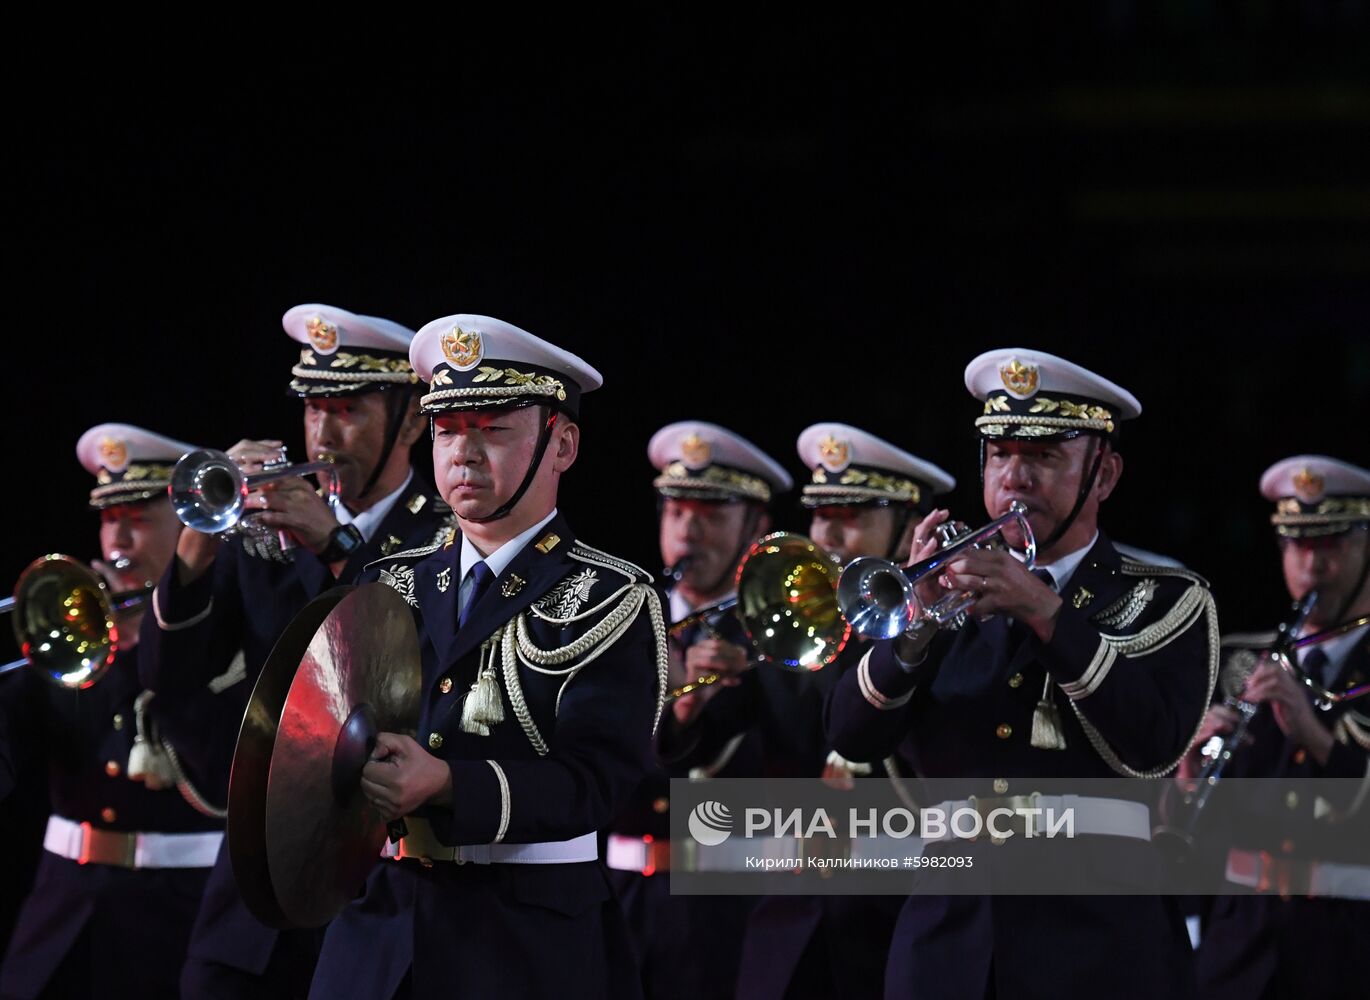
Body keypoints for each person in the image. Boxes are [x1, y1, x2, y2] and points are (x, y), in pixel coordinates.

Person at [825, 348, 1218, 999]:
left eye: (1042, 457)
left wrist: (1046, 613)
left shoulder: (1167, 598)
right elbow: (851, 735)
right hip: (946, 942)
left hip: (1098, 942)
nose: (1015, 478)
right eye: (1001, 454)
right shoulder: (946, 587)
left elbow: (1152, 743)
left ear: (1105, 475)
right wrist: (916, 627)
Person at [309, 313, 668, 999]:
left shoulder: (611, 595)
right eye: (447, 430)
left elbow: (595, 783)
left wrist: (447, 784)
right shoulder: (385, 580)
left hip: (527, 943)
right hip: (382, 934)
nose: (463, 454)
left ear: (561, 446)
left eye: (494, 429)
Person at [139, 304, 449, 999]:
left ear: (409, 421)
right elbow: (171, 680)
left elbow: (427, 668)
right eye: (313, 409)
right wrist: (195, 545)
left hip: (383, 887)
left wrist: (336, 547)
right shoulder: (262, 529)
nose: (324, 433)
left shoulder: (446, 532)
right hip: (258, 890)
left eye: (347, 410)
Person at [721, 423, 956, 1000]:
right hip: (788, 921)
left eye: (850, 515)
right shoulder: (791, 621)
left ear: (906, 532)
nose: (826, 534)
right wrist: (691, 706)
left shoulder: (947, 637)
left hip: (900, 918)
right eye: (820, 514)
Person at [0, 424, 226, 999]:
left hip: (181, 913)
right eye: (108, 520)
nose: (118, 542)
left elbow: (220, 765)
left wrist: (147, 643)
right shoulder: (66, 626)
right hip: (62, 914)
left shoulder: (226, 622)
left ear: (188, 518)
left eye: (139, 519)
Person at [609, 420, 792, 999]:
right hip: (616, 895)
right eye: (677, 510)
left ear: (756, 526)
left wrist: (740, 691)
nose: (690, 529)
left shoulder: (782, 638)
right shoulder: (622, 621)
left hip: (733, 905)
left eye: (712, 514)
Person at [1185, 455, 1370, 999]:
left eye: (1331, 543)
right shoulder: (1240, 660)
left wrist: (1313, 734)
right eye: (1297, 543)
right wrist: (1187, 778)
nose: (1312, 564)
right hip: (1239, 951)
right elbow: (1194, 836)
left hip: (1348, 951)